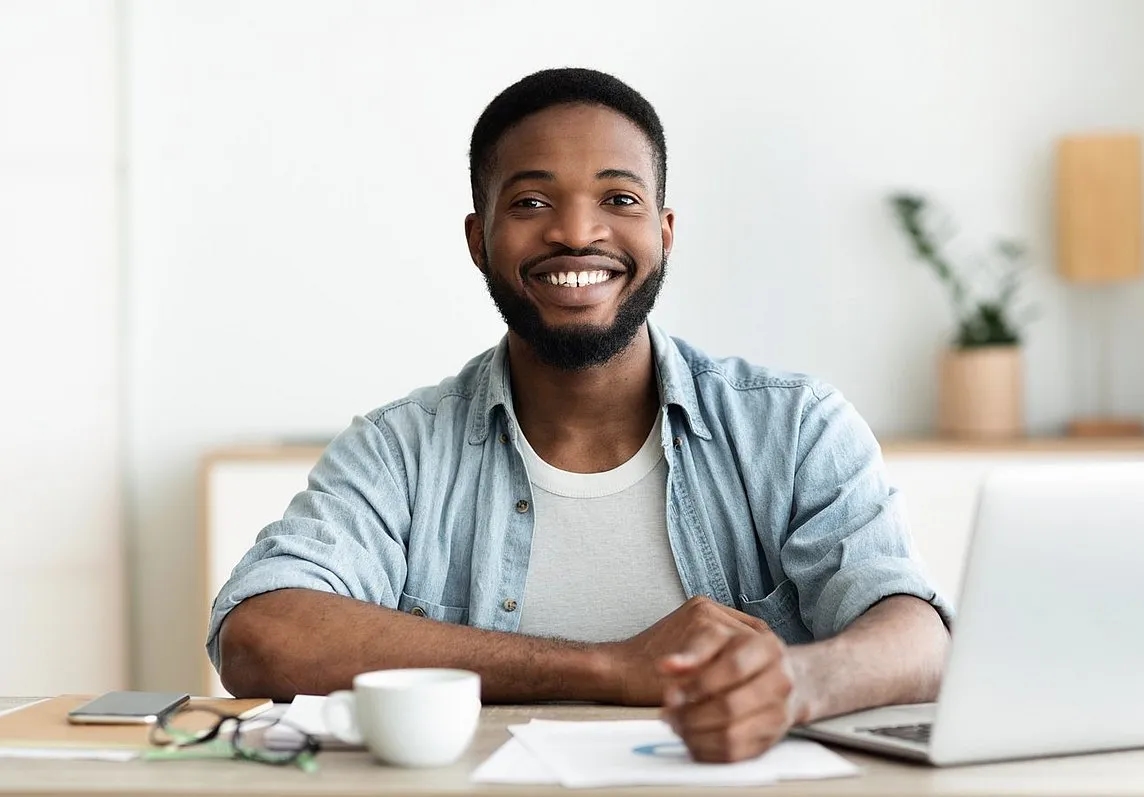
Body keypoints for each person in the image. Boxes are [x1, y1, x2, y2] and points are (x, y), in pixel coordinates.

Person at [210, 67, 952, 763]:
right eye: (532, 202)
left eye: (618, 199)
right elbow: (261, 636)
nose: (576, 232)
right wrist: (609, 666)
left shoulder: (793, 427)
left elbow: (919, 639)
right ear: (479, 240)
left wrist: (795, 682)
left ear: (664, 231)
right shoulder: (400, 449)